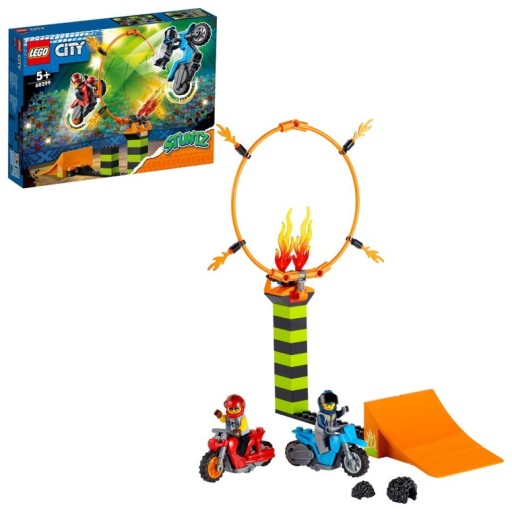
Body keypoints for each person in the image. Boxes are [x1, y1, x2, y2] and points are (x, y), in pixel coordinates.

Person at [315, 390, 349, 454]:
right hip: (321, 432)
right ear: (321, 405)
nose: (329, 407)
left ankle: (333, 450)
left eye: (331, 405)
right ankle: (323, 452)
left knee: (333, 440)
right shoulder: (321, 415)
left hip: (331, 431)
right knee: (320, 440)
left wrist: (343, 410)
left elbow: (339, 414)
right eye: (326, 405)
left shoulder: (334, 413)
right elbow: (320, 423)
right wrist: (325, 427)